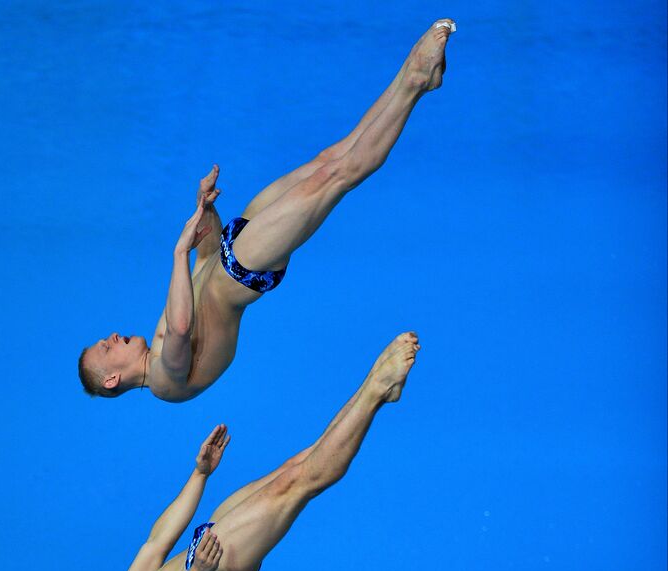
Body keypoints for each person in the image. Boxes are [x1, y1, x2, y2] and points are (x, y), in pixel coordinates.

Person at [77, 19, 454, 401]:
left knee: (330, 158)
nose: (112, 337)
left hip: (232, 244)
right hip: (245, 266)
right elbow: (181, 327)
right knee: (337, 176)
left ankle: (417, 77)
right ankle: (415, 80)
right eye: (106, 348)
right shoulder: (164, 382)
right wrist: (178, 252)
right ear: (112, 379)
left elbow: (205, 258)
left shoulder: (158, 334)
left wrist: (205, 210)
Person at [15, 333, 420, 571]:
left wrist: (200, 474)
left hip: (202, 551)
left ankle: (379, 393)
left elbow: (155, 544)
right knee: (299, 483)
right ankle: (377, 388)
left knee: (294, 466)